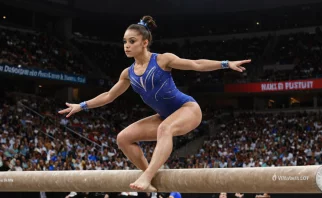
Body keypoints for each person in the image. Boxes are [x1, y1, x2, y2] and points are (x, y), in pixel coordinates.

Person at [58, 15, 251, 191]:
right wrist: (81, 105)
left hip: (188, 110)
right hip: (164, 117)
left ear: (145, 42)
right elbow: (109, 95)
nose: (127, 45)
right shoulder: (128, 73)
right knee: (123, 138)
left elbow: (195, 64)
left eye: (132, 41)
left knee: (164, 130)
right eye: (124, 41)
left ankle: (147, 175)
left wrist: (226, 64)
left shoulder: (162, 60)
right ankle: (151, 178)